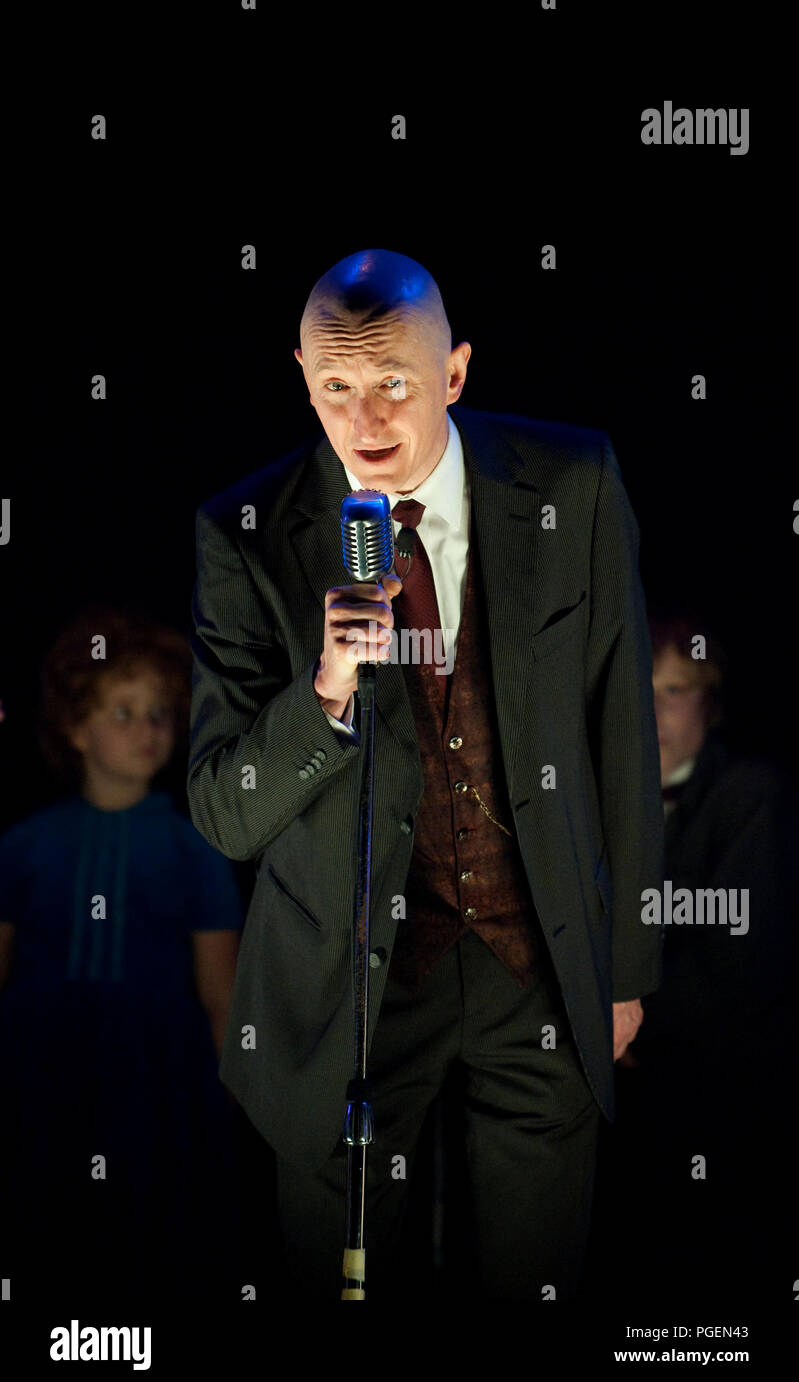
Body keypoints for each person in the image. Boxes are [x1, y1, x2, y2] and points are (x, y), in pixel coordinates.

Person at [187, 248, 664, 1302]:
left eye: (394, 381)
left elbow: (618, 732)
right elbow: (225, 812)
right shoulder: (245, 536)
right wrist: (324, 689)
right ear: (303, 379)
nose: (365, 417)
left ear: (452, 373)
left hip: (535, 959)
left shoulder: (573, 483)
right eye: (335, 386)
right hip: (344, 994)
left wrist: (622, 968)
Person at [0, 607, 244, 1307]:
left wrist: (229, 1100)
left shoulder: (195, 849)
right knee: (42, 1224)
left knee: (149, 1234)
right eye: (124, 711)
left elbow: (219, 992)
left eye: (161, 712)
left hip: (155, 1075)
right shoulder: (23, 846)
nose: (148, 729)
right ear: (75, 726)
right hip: (40, 1070)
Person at [603, 614, 799, 1305]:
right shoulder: (593, 804)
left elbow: (743, 963)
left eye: (675, 689)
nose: (653, 709)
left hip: (717, 1100)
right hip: (612, 1109)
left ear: (710, 705)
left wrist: (626, 1020)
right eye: (641, 689)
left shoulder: (749, 797)